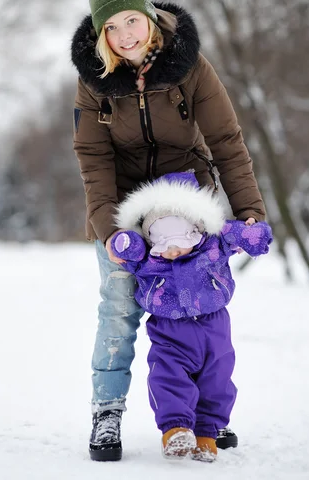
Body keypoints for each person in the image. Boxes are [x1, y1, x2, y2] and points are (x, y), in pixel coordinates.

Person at [71, 0, 266, 461]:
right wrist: (112, 233)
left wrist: (248, 215)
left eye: (132, 19)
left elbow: (226, 142)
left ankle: (204, 419)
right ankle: (107, 413)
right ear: (101, 36)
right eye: (111, 27)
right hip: (122, 209)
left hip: (187, 209)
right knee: (119, 311)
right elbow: (93, 161)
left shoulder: (191, 67)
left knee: (200, 311)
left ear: (151, 18)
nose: (125, 34)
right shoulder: (93, 83)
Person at [110, 171, 273, 461]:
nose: (171, 252)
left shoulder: (213, 244)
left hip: (214, 328)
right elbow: (130, 249)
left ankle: (206, 434)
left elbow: (238, 234)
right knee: (167, 376)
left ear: (196, 230)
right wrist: (125, 242)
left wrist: (253, 234)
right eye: (163, 245)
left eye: (177, 243)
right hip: (169, 330)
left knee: (218, 380)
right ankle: (175, 429)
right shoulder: (150, 259)